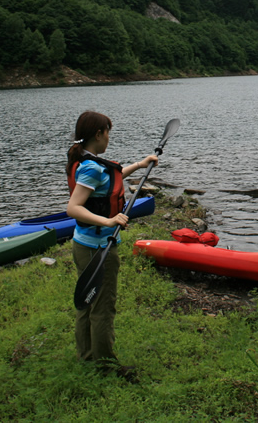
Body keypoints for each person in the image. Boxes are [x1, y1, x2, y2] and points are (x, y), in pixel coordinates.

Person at [65, 111, 158, 378]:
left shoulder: (84, 158)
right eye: (108, 132)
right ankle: (106, 366)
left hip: (83, 244)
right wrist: (108, 222)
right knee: (102, 307)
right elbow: (73, 207)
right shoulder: (91, 166)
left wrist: (140, 165)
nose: (109, 137)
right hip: (98, 248)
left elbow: (110, 176)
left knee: (86, 301)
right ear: (99, 134)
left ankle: (87, 357)